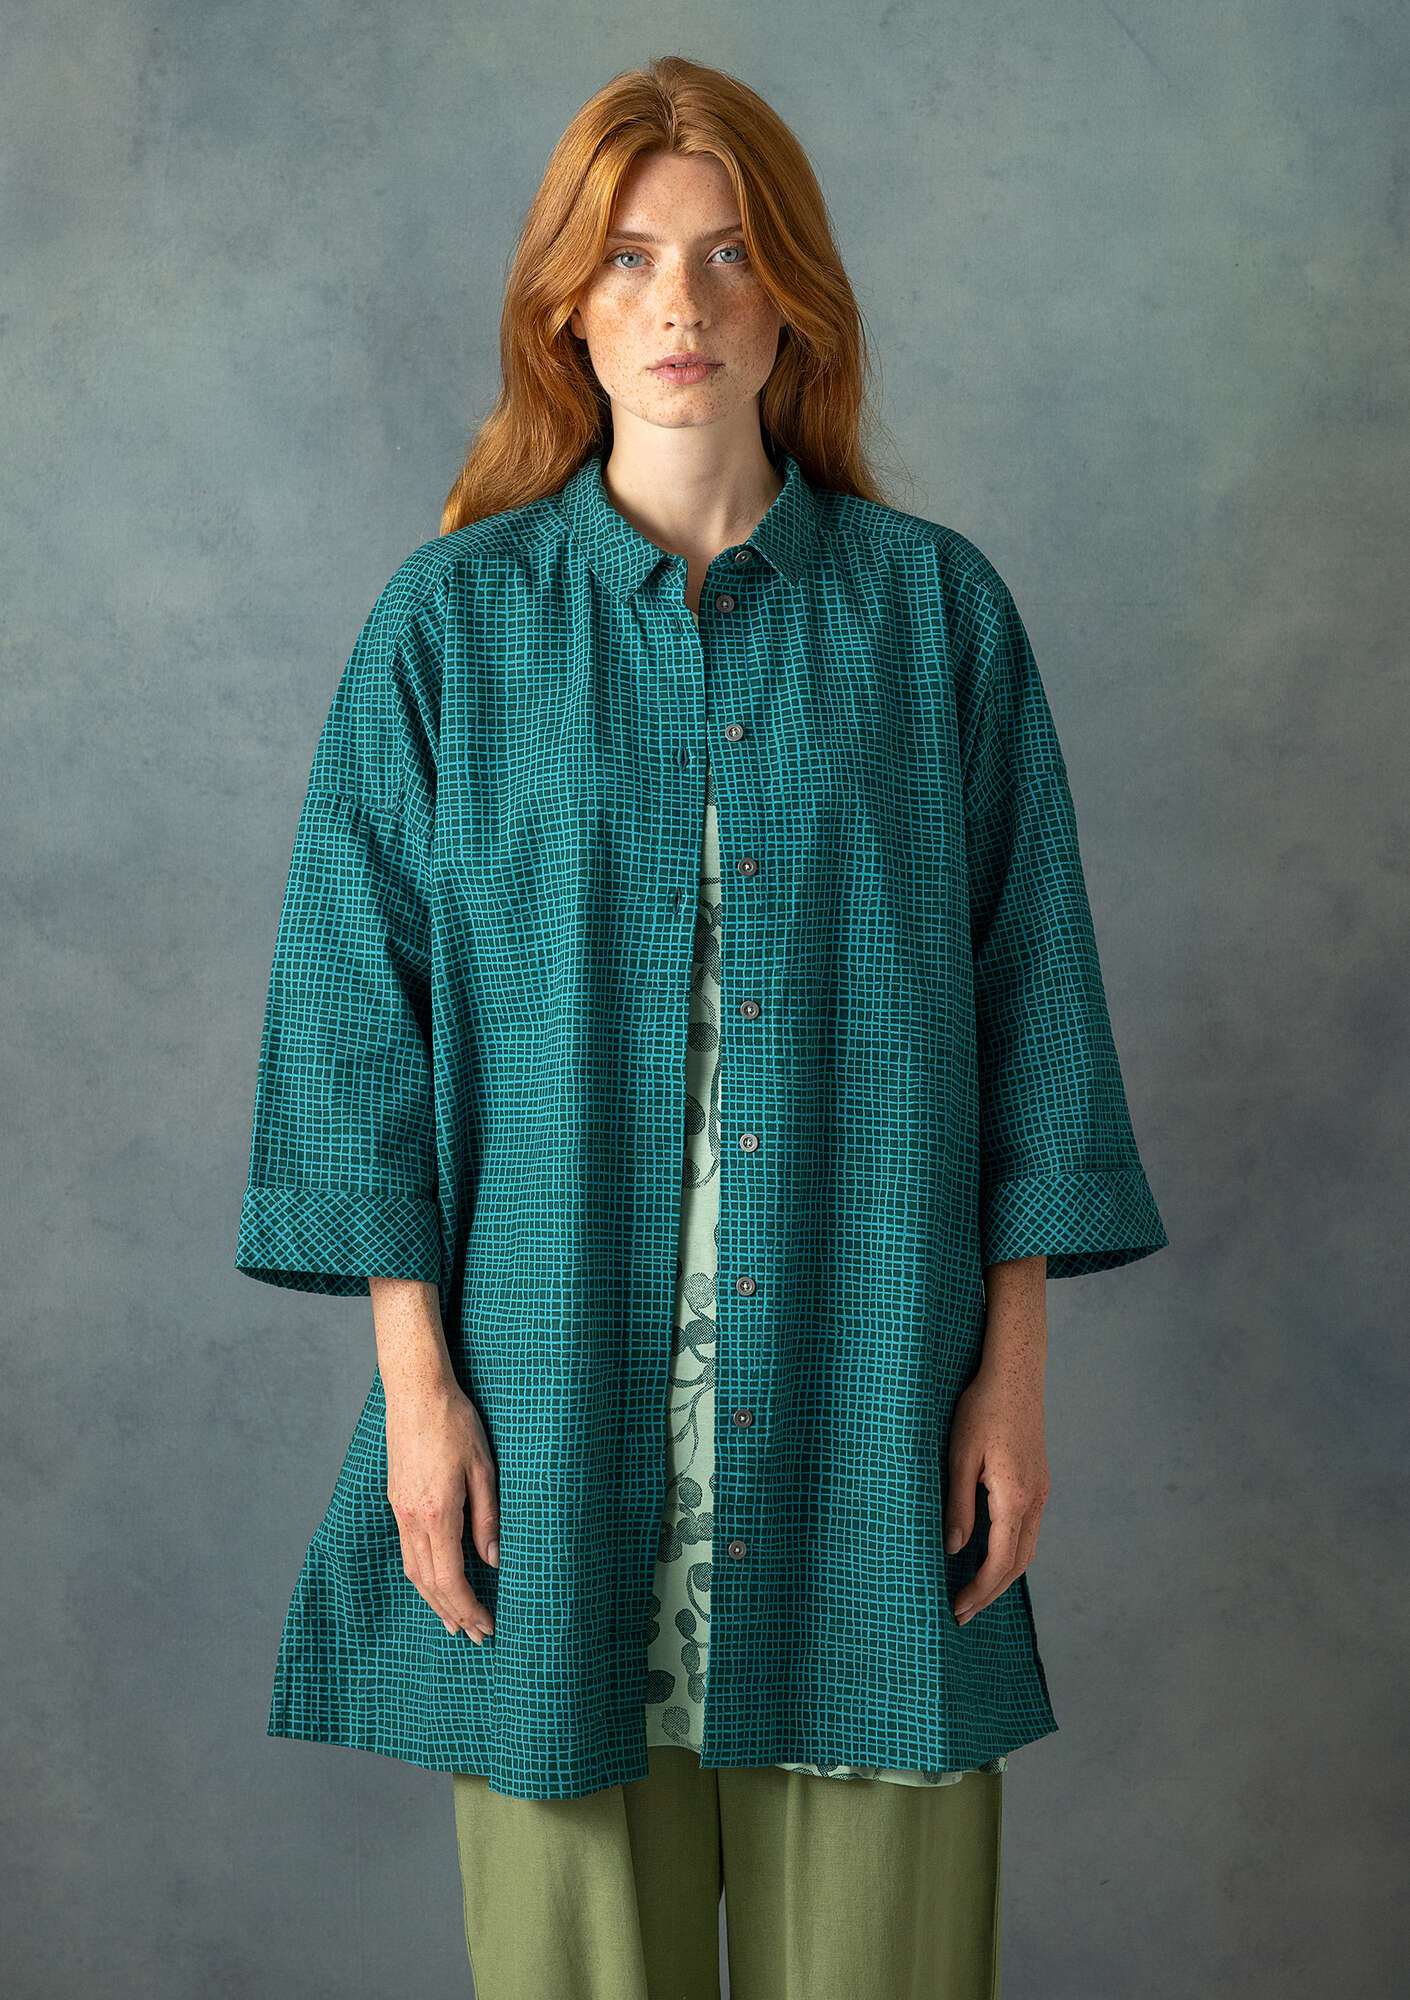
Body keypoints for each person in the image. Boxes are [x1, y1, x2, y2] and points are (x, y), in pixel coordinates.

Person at [235, 55, 1168, 2000]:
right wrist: (419, 1394)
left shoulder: (935, 622)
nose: (681, 302)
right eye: (631, 257)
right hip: (546, 1430)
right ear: (565, 307)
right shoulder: (448, 631)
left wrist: (1010, 1380)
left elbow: (1034, 1013)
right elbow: (350, 1029)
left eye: (729, 253)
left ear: (792, 295)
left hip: (868, 1417)